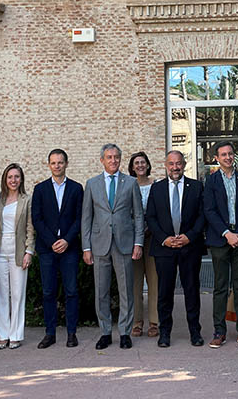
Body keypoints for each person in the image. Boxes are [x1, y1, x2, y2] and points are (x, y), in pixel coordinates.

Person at [82, 144, 145, 350]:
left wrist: (138, 242)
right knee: (101, 291)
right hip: (100, 245)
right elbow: (86, 218)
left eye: (116, 157)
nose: (113, 160)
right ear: (102, 160)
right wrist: (86, 247)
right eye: (109, 157)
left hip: (124, 243)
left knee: (126, 289)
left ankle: (125, 332)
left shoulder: (131, 183)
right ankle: (106, 332)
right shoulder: (92, 184)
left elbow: (138, 215)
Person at [145, 150, 206, 347]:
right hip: (165, 248)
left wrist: (189, 237)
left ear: (184, 164)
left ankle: (195, 332)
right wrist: (165, 239)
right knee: (164, 292)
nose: (175, 167)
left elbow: (202, 216)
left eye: (178, 163)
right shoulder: (157, 188)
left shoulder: (196, 187)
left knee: (191, 290)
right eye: (171, 164)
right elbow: (151, 218)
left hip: (190, 247)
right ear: (165, 165)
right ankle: (165, 333)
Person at [203, 141, 238, 348]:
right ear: (216, 158)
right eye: (223, 154)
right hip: (220, 240)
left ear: (235, 156)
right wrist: (227, 234)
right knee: (220, 288)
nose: (227, 157)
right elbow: (209, 210)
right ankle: (219, 331)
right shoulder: (211, 181)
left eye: (230, 154)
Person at [31, 149, 84, 349]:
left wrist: (67, 240)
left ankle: (71, 333)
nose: (57, 166)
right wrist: (52, 240)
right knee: (48, 292)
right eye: (53, 163)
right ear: (48, 165)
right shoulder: (40, 189)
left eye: (60, 162)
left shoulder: (76, 188)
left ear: (66, 164)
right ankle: (50, 333)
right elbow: (37, 218)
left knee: (71, 291)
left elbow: (80, 218)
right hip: (47, 248)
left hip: (69, 248)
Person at [0, 163, 35, 350]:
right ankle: (2, 335)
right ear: (5, 179)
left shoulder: (27, 200)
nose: (13, 180)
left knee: (18, 294)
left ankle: (16, 335)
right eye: (10, 177)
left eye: (17, 177)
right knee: (1, 294)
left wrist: (29, 251)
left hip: (18, 250)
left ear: (21, 179)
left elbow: (30, 228)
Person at [128, 152, 159, 338]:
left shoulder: (156, 185)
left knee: (154, 281)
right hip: (132, 240)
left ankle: (154, 322)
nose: (140, 165)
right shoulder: (128, 185)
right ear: (132, 167)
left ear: (148, 165)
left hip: (153, 238)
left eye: (143, 162)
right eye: (136, 163)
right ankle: (137, 322)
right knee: (135, 283)